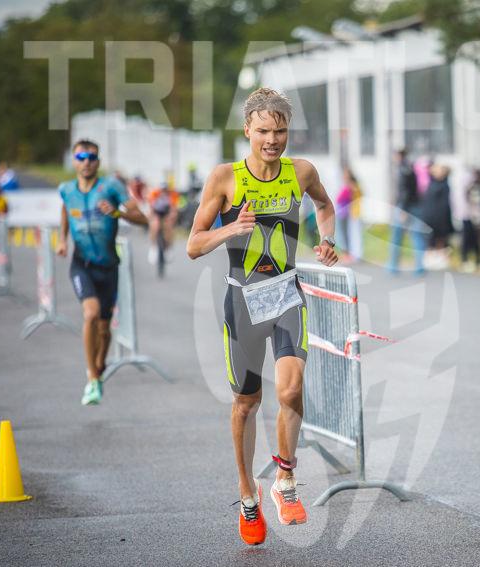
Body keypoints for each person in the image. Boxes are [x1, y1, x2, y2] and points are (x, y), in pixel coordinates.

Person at [186, 87, 337, 546]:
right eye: (265, 131)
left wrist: (327, 239)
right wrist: (231, 227)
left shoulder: (301, 171)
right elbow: (193, 244)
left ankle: (285, 480)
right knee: (246, 403)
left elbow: (325, 205)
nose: (273, 140)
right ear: (248, 130)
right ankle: (247, 493)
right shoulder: (225, 178)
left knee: (290, 389)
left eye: (281, 131)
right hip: (243, 303)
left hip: (287, 295)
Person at [56, 139, 148, 405]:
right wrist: (62, 240)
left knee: (105, 329)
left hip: (108, 267)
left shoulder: (111, 187)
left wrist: (117, 213)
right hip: (81, 264)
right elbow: (65, 210)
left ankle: (98, 366)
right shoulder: (66, 189)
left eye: (91, 157)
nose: (86, 162)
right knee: (91, 314)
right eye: (81, 157)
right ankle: (92, 377)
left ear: (98, 161)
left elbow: (142, 218)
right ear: (74, 161)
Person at [387, 148, 426, 274]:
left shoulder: (403, 169)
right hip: (415, 205)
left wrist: (403, 209)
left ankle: (393, 265)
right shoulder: (411, 168)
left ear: (399, 156)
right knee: (416, 236)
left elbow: (405, 191)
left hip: (405, 207)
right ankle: (419, 266)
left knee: (396, 237)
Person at [421, 164, 453, 271]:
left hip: (440, 217)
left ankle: (441, 259)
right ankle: (430, 259)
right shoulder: (431, 183)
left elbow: (444, 204)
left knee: (441, 238)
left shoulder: (444, 185)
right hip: (429, 216)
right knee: (430, 239)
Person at [146, 180, 180, 264]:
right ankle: (153, 247)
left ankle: (168, 247)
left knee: (169, 225)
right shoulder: (154, 193)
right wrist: (151, 217)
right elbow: (151, 208)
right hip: (157, 212)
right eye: (162, 190)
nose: (164, 192)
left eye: (165, 190)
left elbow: (174, 209)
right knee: (155, 225)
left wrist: (171, 217)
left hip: (167, 213)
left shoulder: (173, 194)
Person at [459, 167, 480, 272]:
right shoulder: (469, 188)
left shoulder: (479, 188)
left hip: (476, 218)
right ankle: (465, 260)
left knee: (476, 241)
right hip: (468, 217)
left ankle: (478, 261)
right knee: (466, 239)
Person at [335, 167, 363, 263]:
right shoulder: (348, 186)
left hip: (351, 213)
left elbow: (341, 198)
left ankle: (353, 255)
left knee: (351, 235)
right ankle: (349, 254)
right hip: (348, 213)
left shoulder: (351, 187)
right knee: (348, 234)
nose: (343, 177)